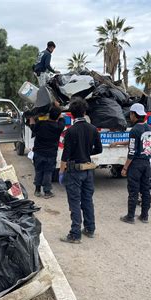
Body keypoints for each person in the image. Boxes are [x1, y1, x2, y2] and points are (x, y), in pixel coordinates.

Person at [59, 97, 102, 243]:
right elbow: (99, 149)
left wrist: (61, 171)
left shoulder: (70, 131)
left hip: (74, 170)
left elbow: (66, 155)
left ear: (71, 114)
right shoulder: (93, 129)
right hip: (88, 170)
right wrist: (87, 151)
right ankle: (90, 229)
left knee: (75, 202)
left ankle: (75, 234)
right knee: (87, 200)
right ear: (84, 112)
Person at [119, 103, 151, 224]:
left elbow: (132, 151)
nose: (130, 117)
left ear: (134, 114)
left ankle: (130, 216)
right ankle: (144, 216)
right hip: (147, 163)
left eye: (131, 114)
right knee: (145, 190)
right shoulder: (149, 128)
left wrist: (125, 168)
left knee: (133, 191)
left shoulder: (134, 130)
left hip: (136, 164)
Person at [29, 105, 65, 198]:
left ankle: (37, 190)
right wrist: (58, 108)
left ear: (49, 115)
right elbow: (61, 119)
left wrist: (31, 117)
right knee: (48, 172)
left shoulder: (41, 124)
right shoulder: (58, 127)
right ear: (57, 116)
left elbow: (32, 126)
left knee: (38, 171)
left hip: (38, 153)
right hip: (51, 154)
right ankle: (47, 192)